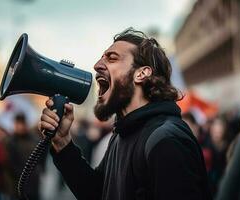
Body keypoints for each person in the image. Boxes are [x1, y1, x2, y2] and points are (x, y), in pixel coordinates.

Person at [38, 28, 212, 200]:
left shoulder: (166, 140)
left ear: (141, 73)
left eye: (112, 58)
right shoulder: (121, 134)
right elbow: (98, 193)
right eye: (102, 58)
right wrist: (62, 143)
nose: (97, 65)